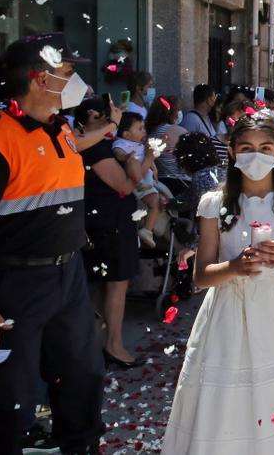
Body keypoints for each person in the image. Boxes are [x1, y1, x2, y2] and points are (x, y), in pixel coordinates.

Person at [0, 33, 105, 454]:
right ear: (39, 80)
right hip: (15, 282)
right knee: (6, 396)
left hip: (67, 276)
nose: (77, 81)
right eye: (67, 72)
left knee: (81, 379)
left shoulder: (63, 129)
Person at [160, 114, 274, 454]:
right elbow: (201, 275)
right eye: (246, 148)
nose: (255, 156)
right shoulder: (214, 205)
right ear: (231, 151)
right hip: (230, 312)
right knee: (230, 394)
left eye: (264, 148)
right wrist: (234, 265)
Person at [75, 100, 151, 368]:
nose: (108, 120)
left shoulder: (103, 144)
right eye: (102, 116)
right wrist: (136, 168)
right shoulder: (94, 146)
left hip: (111, 221)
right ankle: (113, 345)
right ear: (88, 119)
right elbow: (124, 186)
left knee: (109, 285)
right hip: (109, 224)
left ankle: (101, 343)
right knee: (115, 284)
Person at [113, 111, 162, 242]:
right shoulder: (121, 143)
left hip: (146, 180)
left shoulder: (140, 145)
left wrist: (155, 169)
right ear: (126, 134)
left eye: (144, 128)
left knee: (156, 203)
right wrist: (126, 157)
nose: (144, 131)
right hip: (137, 181)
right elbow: (117, 152)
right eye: (140, 129)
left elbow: (150, 159)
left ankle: (147, 230)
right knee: (133, 162)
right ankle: (140, 184)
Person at [146, 95, 191, 198]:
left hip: (160, 181)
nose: (179, 112)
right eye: (178, 109)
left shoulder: (149, 133)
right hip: (180, 183)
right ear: (171, 112)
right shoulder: (177, 131)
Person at [181, 84, 226, 166]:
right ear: (208, 100)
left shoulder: (207, 118)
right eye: (213, 97)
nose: (215, 101)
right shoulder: (192, 119)